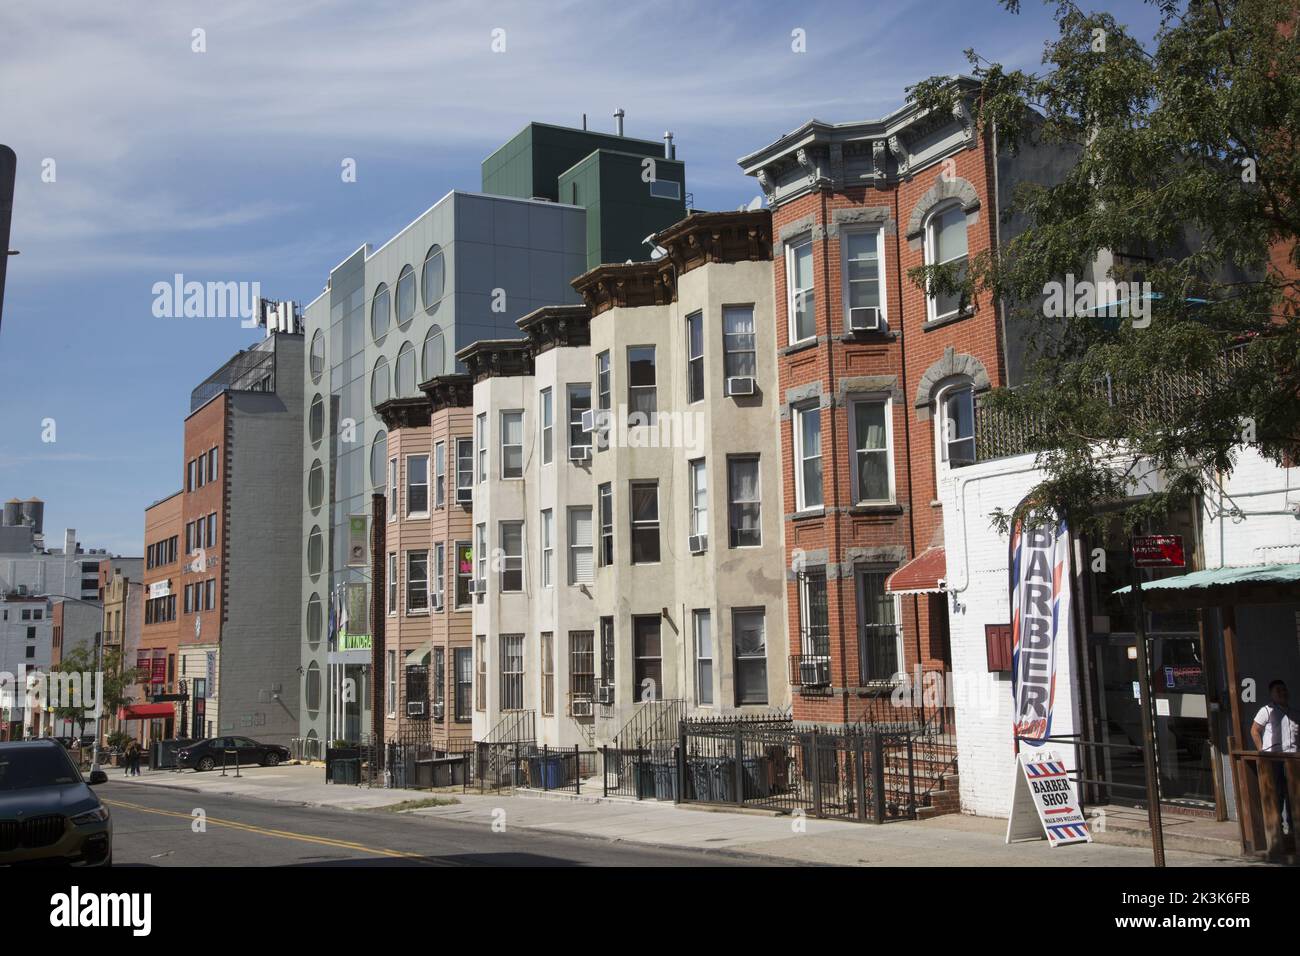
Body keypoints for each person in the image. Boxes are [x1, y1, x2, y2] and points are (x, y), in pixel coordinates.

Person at [1250, 679, 1298, 835]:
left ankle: (1293, 829)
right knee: (1277, 794)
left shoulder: (1294, 712)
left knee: (1293, 794)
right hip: (1275, 759)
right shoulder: (1267, 710)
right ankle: (1277, 830)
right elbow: (1255, 730)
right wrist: (1262, 751)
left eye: (1284, 690)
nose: (1282, 693)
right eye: (1278, 690)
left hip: (1292, 759)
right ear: (1271, 694)